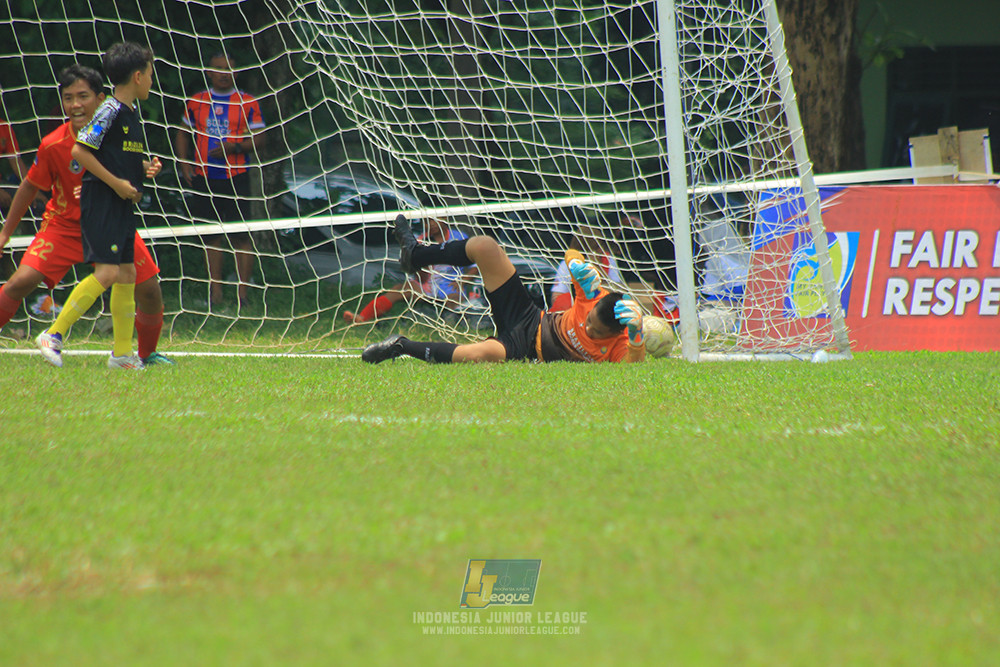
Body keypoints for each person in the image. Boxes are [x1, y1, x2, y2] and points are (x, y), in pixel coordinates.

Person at [0, 65, 172, 364]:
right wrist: (5, 232)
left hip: (110, 220)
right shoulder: (54, 144)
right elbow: (29, 186)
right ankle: (57, 334)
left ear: (100, 98)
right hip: (65, 225)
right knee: (20, 282)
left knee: (149, 290)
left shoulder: (115, 127)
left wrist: (145, 168)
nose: (76, 104)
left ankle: (142, 355)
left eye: (83, 96)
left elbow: (122, 162)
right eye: (68, 98)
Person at [362, 215, 646, 364]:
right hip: (530, 316)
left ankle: (401, 346)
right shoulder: (592, 298)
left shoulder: (621, 346)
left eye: (595, 333)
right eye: (590, 321)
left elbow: (632, 367)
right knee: (485, 247)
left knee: (477, 356)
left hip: (523, 349)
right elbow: (573, 254)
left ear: (617, 335)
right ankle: (415, 255)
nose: (588, 329)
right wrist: (579, 266)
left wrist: (636, 339)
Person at [34, 42, 161, 369]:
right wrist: (118, 184)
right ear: (136, 76)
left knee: (128, 272)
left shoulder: (131, 113)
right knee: (107, 272)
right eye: (149, 74)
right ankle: (54, 333)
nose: (151, 80)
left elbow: (115, 156)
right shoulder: (110, 110)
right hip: (103, 201)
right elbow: (81, 151)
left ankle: (121, 354)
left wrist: (141, 169)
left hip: (118, 204)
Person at [175, 52, 265, 308]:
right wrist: (184, 163)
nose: (224, 73)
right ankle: (215, 295)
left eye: (229, 69)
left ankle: (243, 295)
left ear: (236, 73)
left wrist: (234, 147)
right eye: (218, 68)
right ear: (209, 72)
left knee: (240, 237)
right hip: (204, 178)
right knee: (211, 237)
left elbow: (260, 139)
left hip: (236, 177)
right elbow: (182, 133)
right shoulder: (197, 101)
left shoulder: (247, 102)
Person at [344, 217, 473, 323]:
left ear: (444, 219)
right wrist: (417, 268)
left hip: (450, 287)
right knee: (399, 288)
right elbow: (421, 278)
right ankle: (362, 318)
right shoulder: (420, 241)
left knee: (454, 300)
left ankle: (451, 319)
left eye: (435, 220)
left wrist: (463, 281)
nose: (431, 224)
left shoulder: (459, 237)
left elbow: (475, 265)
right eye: (427, 222)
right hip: (428, 286)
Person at [550, 223, 622, 312]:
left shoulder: (608, 260)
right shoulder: (568, 263)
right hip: (576, 309)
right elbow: (557, 296)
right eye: (597, 246)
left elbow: (616, 289)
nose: (601, 249)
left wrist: (598, 268)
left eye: (601, 245)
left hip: (602, 308)